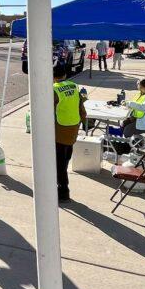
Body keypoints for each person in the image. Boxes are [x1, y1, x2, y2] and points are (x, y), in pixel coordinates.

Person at [54, 60, 88, 202]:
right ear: (65, 74)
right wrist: (83, 121)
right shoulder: (74, 86)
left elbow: (48, 110)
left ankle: (63, 191)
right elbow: (81, 108)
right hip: (73, 126)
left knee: (59, 162)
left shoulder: (54, 89)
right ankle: (61, 186)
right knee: (66, 158)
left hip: (60, 128)